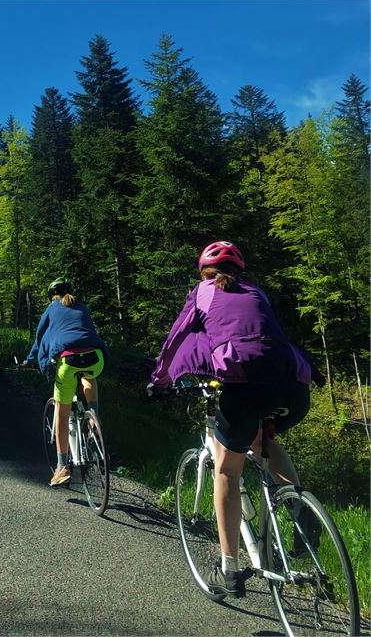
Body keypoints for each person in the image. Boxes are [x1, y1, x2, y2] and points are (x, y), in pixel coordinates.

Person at [148, 240, 325, 598]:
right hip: (293, 386)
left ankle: (228, 568)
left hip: (246, 386)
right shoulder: (257, 292)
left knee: (228, 470)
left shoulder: (202, 292)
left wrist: (160, 381)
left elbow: (177, 337)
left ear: (205, 272)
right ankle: (299, 508)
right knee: (263, 440)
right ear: (239, 271)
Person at [25, 278, 109, 487]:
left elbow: (40, 337)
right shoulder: (81, 306)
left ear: (52, 295)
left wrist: (30, 359)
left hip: (69, 360)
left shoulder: (52, 308)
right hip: (96, 356)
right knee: (89, 377)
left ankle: (62, 467)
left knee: (61, 416)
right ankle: (93, 417)